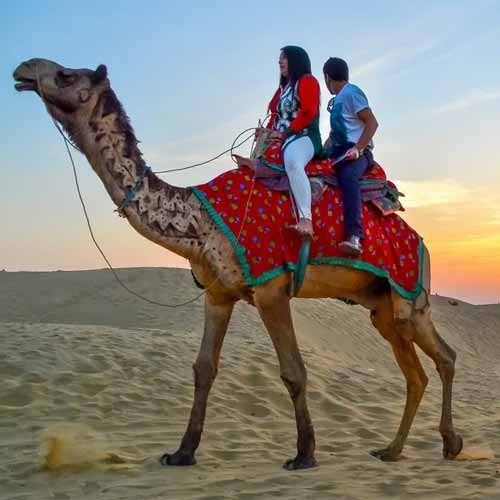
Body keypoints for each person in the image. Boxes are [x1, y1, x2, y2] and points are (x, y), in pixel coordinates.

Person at [236, 46, 322, 238]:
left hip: (303, 137)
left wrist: (285, 134)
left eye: (285, 58)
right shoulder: (282, 90)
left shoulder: (307, 82)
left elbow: (308, 112)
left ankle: (306, 219)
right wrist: (267, 131)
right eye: (280, 59)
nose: (280, 62)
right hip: (281, 139)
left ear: (296, 60)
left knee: (293, 162)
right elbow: (275, 117)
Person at [323, 57, 379, 256]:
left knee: (348, 177)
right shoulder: (338, 100)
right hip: (338, 152)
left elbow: (372, 122)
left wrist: (359, 148)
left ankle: (354, 236)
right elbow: (336, 134)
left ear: (327, 77)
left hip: (357, 153)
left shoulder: (352, 93)